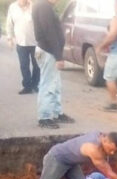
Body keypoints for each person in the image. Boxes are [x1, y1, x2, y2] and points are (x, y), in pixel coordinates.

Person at [32, 0, 74, 129]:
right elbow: (49, 32)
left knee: (55, 84)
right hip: (48, 51)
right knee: (48, 85)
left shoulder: (46, 6)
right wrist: (58, 56)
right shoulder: (43, 6)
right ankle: (44, 117)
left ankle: (56, 113)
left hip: (48, 51)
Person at [6, 0, 40, 95]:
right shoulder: (13, 7)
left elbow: (39, 20)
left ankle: (35, 85)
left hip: (36, 43)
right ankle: (27, 86)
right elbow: (9, 23)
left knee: (37, 65)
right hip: (21, 43)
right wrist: (9, 38)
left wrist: (32, 5)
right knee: (24, 65)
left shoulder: (34, 7)